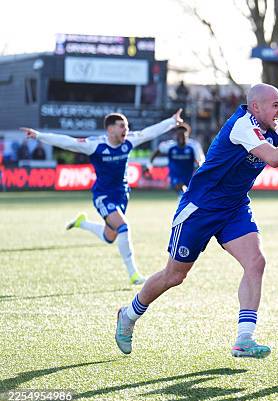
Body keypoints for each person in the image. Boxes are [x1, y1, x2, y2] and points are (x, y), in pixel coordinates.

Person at [115, 83, 278, 358]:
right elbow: (274, 158)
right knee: (175, 275)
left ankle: (244, 339)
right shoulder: (242, 125)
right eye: (276, 105)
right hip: (201, 207)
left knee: (256, 262)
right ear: (256, 107)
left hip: (234, 207)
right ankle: (129, 314)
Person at [21, 109, 184, 285]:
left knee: (109, 237)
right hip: (103, 195)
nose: (126, 130)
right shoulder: (95, 145)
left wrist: (171, 121)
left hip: (122, 194)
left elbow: (148, 133)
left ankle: (82, 223)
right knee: (123, 227)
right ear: (110, 129)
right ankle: (134, 275)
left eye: (127, 127)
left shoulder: (128, 141)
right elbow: (67, 142)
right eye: (122, 126)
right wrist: (38, 135)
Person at [147, 123, 204, 198]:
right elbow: (156, 152)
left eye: (183, 135)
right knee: (182, 189)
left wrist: (199, 165)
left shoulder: (194, 146)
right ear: (175, 135)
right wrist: (149, 165)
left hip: (189, 177)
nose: (181, 137)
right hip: (175, 176)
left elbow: (201, 160)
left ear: (187, 135)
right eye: (179, 135)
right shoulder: (169, 146)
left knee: (189, 195)